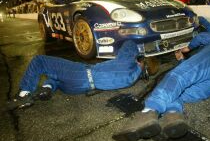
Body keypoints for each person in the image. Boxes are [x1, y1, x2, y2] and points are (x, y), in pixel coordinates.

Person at [113, 18, 210, 141]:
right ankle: (172, 115)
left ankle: (148, 112)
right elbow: (198, 71)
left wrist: (188, 47)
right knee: (178, 91)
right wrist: (181, 59)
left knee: (176, 77)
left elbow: (204, 35)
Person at [9, 41, 148, 109]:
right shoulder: (131, 78)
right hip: (78, 88)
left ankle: (24, 94)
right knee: (56, 77)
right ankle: (48, 87)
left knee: (39, 61)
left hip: (81, 74)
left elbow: (129, 43)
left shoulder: (127, 62)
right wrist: (140, 66)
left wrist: (139, 54)